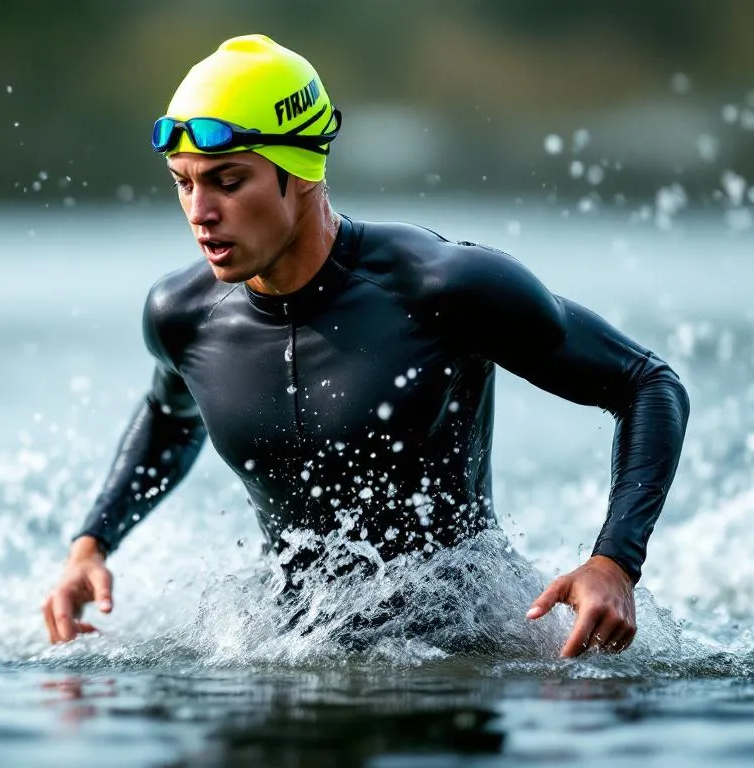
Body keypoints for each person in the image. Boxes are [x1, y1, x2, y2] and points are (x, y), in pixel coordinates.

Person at [40, 34, 689, 656]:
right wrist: (92, 545)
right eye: (183, 182)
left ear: (301, 173)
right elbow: (167, 415)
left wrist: (614, 562)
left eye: (228, 182)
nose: (200, 211)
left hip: (467, 644)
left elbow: (647, 383)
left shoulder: (441, 286)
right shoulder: (183, 315)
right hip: (294, 643)